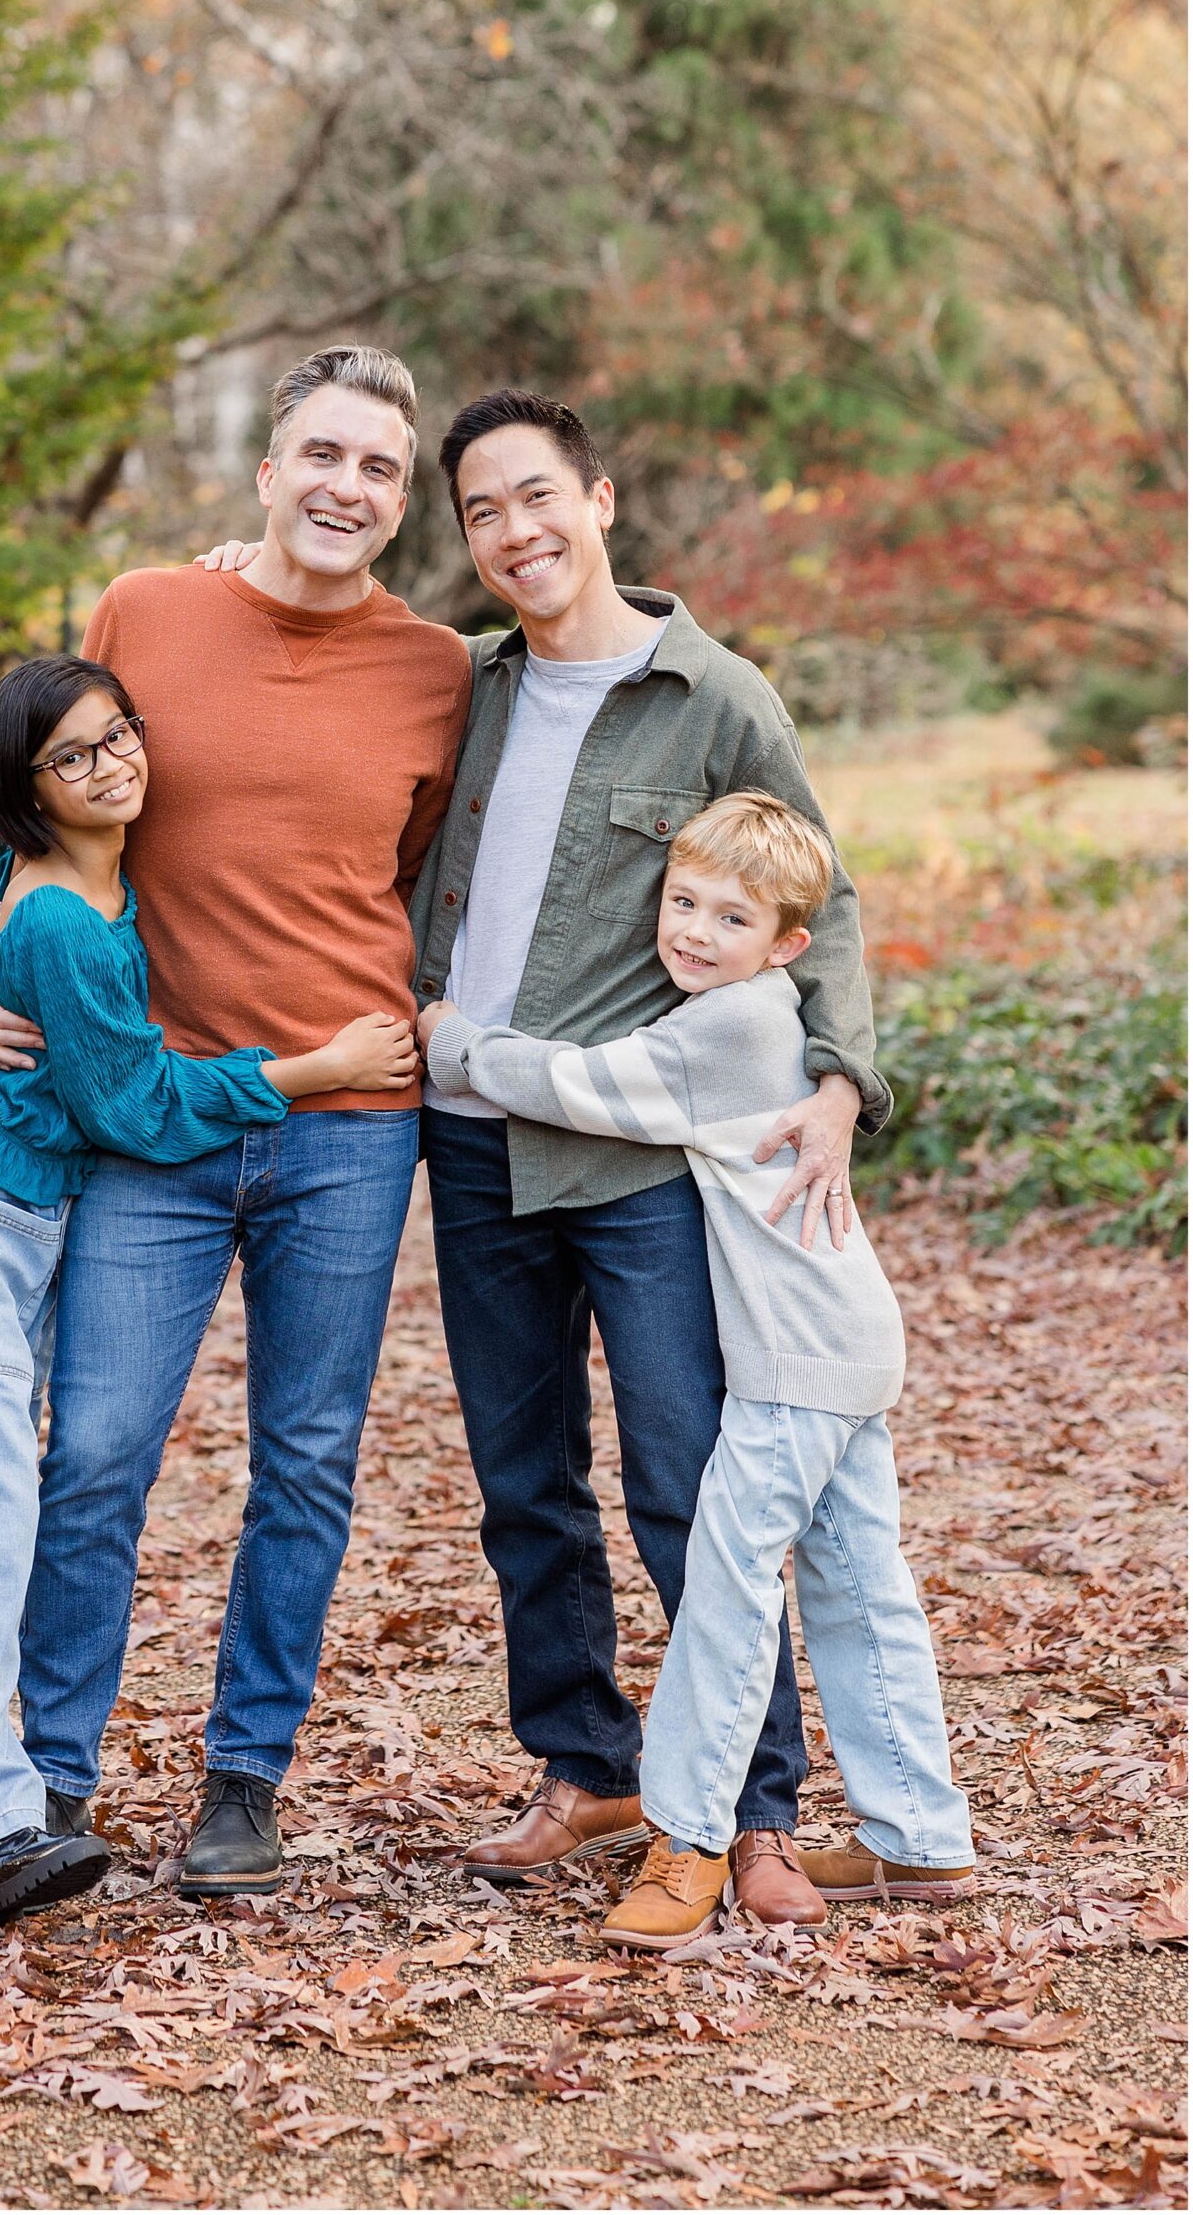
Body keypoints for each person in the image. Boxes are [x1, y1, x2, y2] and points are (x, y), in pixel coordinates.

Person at [0, 654, 416, 1930]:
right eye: (73, 757)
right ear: (27, 789)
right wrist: (312, 1063)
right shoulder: (57, 916)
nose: (114, 765)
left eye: (121, 736)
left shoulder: (39, 856)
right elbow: (140, 1109)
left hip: (3, 1215)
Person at [0, 349, 473, 1898]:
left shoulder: (437, 670)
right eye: (322, 453)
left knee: (305, 1460)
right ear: (264, 469)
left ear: (400, 501)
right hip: (149, 1120)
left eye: (378, 469)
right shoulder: (146, 610)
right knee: (98, 1451)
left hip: (352, 1123)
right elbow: (22, 791)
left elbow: (418, 873)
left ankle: (244, 1785)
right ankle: (46, 1780)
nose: (346, 487)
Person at [408, 390, 892, 1929]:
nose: (515, 533)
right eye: (482, 512)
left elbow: (832, 891)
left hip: (635, 1164)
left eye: (536, 497)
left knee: (690, 1479)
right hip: (471, 1152)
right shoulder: (460, 684)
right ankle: (588, 1764)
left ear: (599, 499)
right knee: (520, 1482)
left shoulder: (712, 692)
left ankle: (748, 1808)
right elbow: (306, 646)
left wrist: (838, 1077)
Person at [422, 790, 974, 1946]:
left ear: (787, 948)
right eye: (681, 902)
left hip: (792, 1355)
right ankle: (916, 1836)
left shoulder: (731, 1026)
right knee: (857, 1583)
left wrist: (454, 1040)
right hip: (840, 1339)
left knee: (724, 1587)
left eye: (731, 917)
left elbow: (582, 1086)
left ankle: (687, 1837)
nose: (693, 932)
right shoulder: (750, 1007)